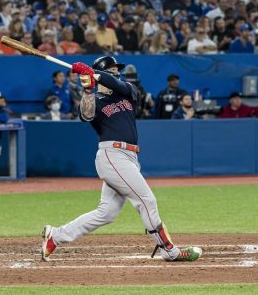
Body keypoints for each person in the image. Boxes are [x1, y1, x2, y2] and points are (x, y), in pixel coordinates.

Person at [41, 56, 202, 263]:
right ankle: (169, 250)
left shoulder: (128, 92)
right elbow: (86, 115)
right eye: (112, 69)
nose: (117, 72)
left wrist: (96, 74)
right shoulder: (96, 100)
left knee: (106, 213)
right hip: (112, 155)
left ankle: (56, 235)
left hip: (129, 157)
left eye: (117, 69)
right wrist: (88, 89)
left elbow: (116, 83)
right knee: (146, 200)